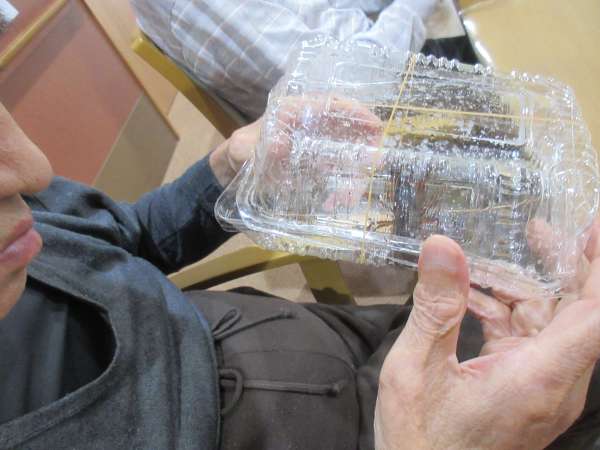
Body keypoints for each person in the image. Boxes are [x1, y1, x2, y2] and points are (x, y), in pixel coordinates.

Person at [0, 98, 600, 450]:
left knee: (547, 326)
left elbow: (124, 237)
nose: (34, 170)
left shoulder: (28, 209)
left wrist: (227, 167)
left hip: (300, 333)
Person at [129, 0, 439, 120]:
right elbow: (353, 88)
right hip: (370, 113)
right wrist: (413, 8)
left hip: (371, 48)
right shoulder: (202, 7)